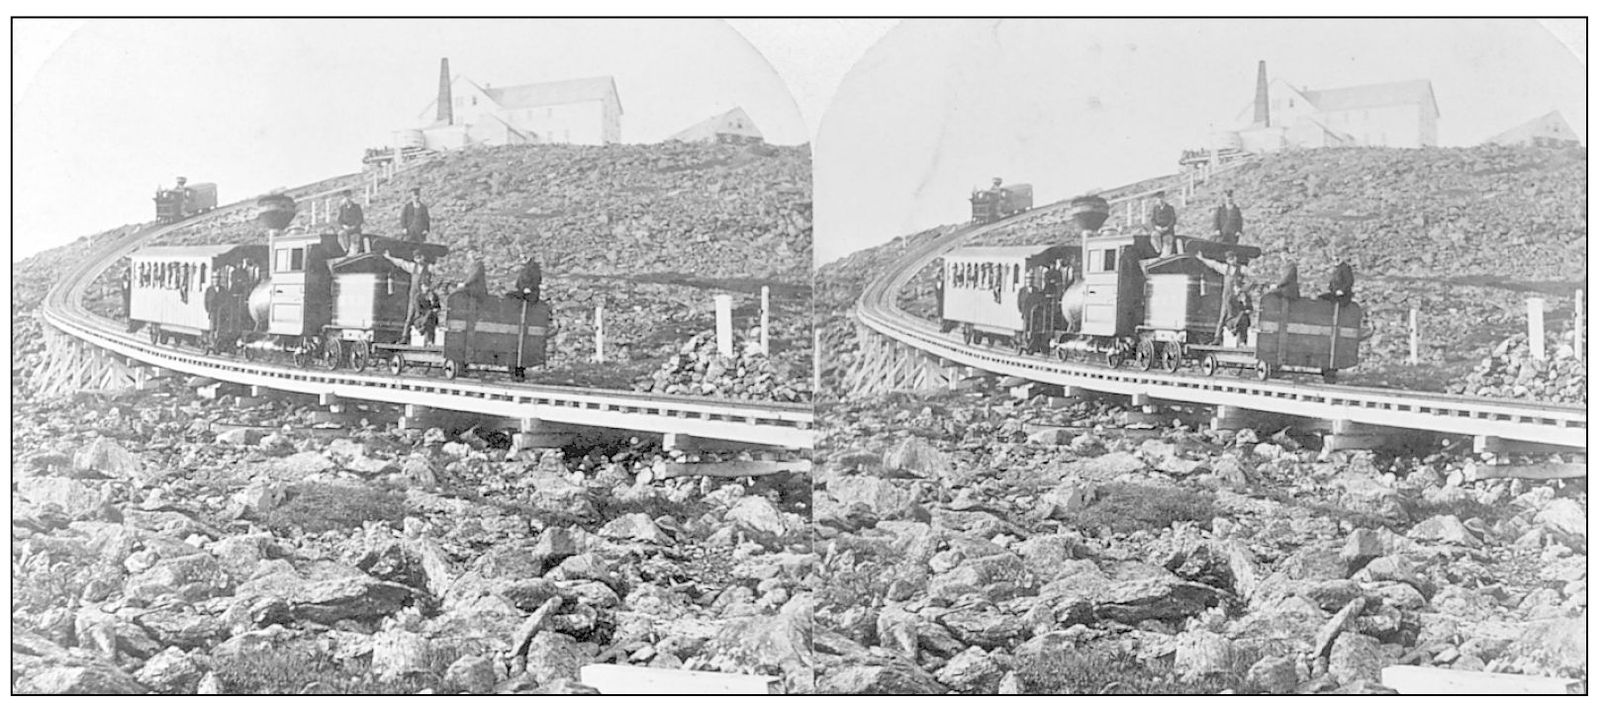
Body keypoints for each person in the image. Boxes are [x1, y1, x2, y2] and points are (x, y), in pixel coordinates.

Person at [337, 190, 366, 255]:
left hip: (355, 229)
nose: (347, 198)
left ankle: (353, 252)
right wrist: (344, 226)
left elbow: (360, 218)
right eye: (345, 196)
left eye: (348, 196)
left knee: (354, 238)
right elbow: (339, 220)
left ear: (351, 196)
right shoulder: (342, 208)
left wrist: (354, 226)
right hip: (346, 229)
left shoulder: (356, 207)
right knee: (341, 234)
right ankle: (346, 250)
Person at [1150, 190, 1177, 255]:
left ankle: (1165, 256)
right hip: (1158, 229)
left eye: (1161, 197)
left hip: (1168, 230)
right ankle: (1159, 250)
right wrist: (1156, 227)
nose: (1160, 200)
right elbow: (1152, 220)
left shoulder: (1170, 208)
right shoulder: (1155, 208)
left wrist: (1167, 227)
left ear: (1164, 198)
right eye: (1158, 198)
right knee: (1154, 236)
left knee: (1167, 240)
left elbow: (1173, 220)